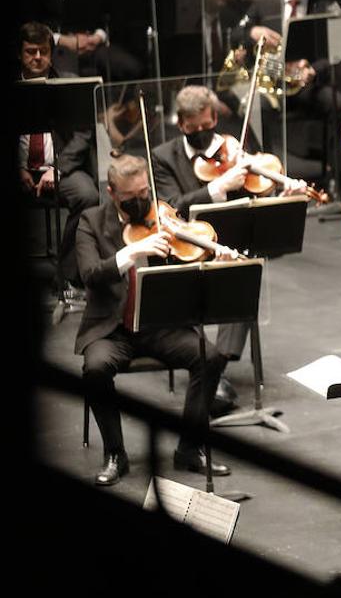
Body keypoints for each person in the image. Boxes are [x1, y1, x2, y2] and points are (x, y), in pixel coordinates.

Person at [74, 155, 231, 486]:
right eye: (132, 197)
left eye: (145, 192)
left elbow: (188, 262)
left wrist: (213, 253)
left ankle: (189, 448)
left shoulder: (161, 216)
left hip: (159, 326)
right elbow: (90, 274)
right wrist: (132, 251)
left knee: (211, 357)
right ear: (112, 193)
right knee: (96, 369)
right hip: (111, 329)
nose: (142, 201)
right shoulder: (91, 221)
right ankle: (115, 454)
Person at [148, 85, 308, 409]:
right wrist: (217, 187)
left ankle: (216, 365)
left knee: (244, 270)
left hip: (230, 245)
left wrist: (284, 195)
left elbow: (258, 197)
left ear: (215, 118)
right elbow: (173, 205)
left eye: (207, 127)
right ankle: (203, 364)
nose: (202, 135)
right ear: (180, 124)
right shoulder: (164, 157)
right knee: (179, 278)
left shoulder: (236, 149)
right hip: (185, 248)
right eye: (193, 130)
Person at [244, 0, 341, 185]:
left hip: (306, 85)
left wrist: (314, 70)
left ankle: (335, 177)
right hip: (272, 82)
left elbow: (339, 51)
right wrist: (253, 31)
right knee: (257, 107)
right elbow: (237, 34)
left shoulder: (324, 6)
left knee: (339, 105)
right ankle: (267, 177)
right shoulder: (264, 3)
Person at [18, 22, 98, 300]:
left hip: (59, 167)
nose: (38, 57)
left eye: (43, 51)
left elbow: (84, 133)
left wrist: (57, 169)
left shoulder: (69, 82)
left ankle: (65, 276)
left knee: (88, 195)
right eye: (30, 51)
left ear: (52, 53)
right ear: (19, 54)